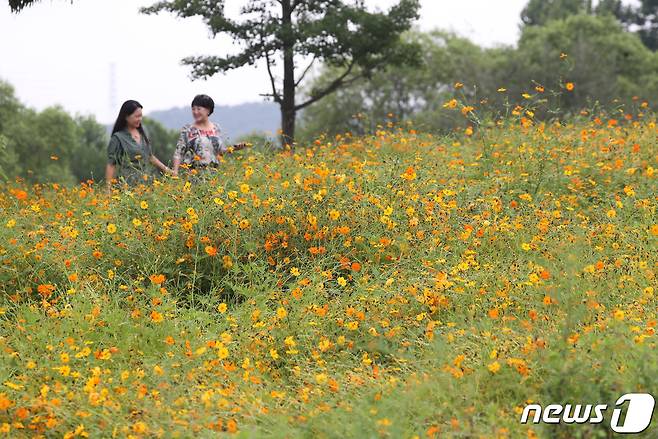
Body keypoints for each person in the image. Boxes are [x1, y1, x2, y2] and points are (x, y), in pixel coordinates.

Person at [172, 94, 249, 179]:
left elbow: (220, 152)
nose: (195, 112)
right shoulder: (187, 129)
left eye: (198, 109)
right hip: (194, 175)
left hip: (214, 176)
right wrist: (175, 172)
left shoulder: (216, 128)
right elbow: (178, 153)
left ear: (208, 110)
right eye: (193, 109)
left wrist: (234, 148)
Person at [105, 100, 173, 192]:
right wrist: (108, 190)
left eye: (141, 116)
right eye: (136, 116)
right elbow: (111, 164)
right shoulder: (117, 138)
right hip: (128, 187)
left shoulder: (143, 133)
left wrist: (168, 171)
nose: (140, 119)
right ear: (126, 117)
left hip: (147, 184)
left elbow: (150, 157)